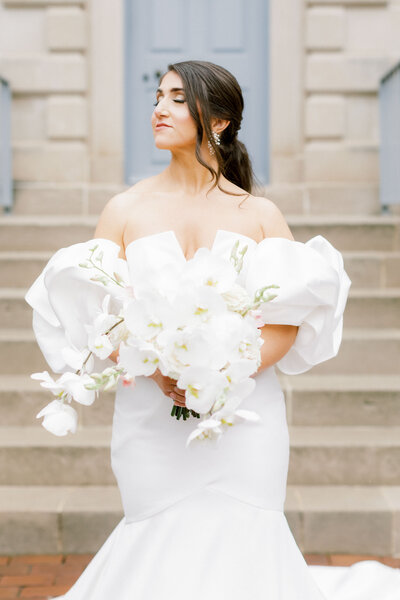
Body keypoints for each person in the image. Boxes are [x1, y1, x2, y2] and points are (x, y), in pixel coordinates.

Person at [24, 60, 399, 599]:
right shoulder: (124, 210)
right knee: (158, 534)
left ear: (218, 121)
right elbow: (98, 316)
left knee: (245, 535)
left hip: (245, 414)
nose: (158, 108)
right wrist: (160, 374)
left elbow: (286, 322)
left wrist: (221, 374)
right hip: (152, 417)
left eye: (177, 98)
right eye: (158, 96)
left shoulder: (261, 214)